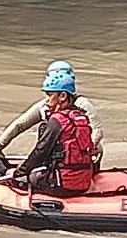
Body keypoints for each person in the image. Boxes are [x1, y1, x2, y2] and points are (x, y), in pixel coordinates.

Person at [0, 61, 103, 164]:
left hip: (81, 149)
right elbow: (19, 125)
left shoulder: (82, 104)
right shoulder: (44, 107)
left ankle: (89, 175)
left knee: (98, 149)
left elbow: (97, 131)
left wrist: (85, 150)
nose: (47, 98)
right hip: (57, 149)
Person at [9, 69, 96, 197]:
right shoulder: (81, 116)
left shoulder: (57, 121)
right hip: (84, 182)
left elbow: (40, 152)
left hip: (64, 184)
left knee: (32, 177)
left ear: (62, 96)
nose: (46, 100)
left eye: (50, 95)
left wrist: (18, 173)